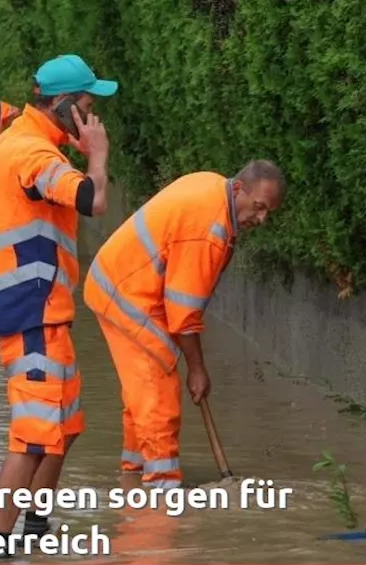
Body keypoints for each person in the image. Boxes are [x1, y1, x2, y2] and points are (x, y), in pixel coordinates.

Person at [0, 54, 115, 558]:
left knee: (66, 425)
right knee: (34, 437)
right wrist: (96, 156)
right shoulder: (33, 154)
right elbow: (91, 201)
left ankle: (35, 525)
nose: (92, 112)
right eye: (86, 103)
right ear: (61, 104)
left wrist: (73, 146)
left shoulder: (27, 139)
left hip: (42, 310)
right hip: (29, 312)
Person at [84, 160, 285, 490]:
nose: (261, 219)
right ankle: (161, 496)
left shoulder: (213, 186)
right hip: (129, 298)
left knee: (142, 396)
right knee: (159, 399)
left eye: (268, 213)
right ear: (238, 189)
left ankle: (133, 478)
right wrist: (197, 369)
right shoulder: (209, 230)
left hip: (116, 284)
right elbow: (183, 314)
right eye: (259, 207)